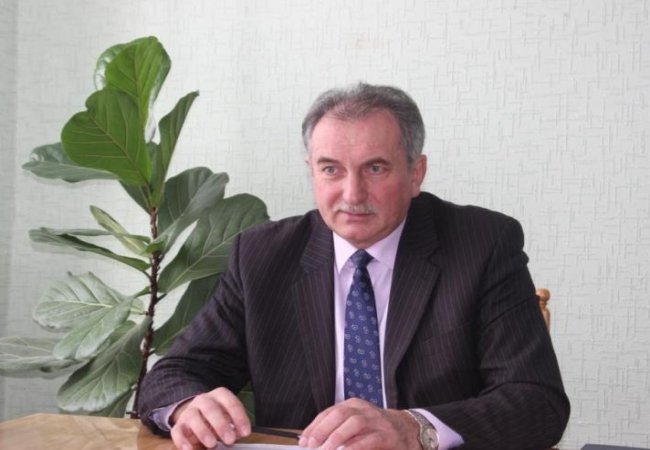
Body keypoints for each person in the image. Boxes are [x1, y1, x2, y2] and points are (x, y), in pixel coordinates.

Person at [138, 83, 570, 450]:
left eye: (375, 168)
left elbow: (537, 402)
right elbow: (173, 374)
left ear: (416, 173)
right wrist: (187, 406)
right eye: (331, 169)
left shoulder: (482, 245)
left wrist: (414, 428)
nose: (352, 194)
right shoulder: (263, 256)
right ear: (311, 171)